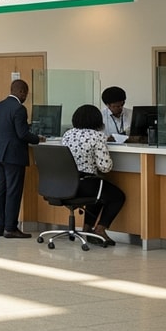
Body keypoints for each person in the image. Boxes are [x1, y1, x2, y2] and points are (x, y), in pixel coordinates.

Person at [60, 104, 126, 246]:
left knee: (99, 192)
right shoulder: (98, 137)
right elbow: (105, 167)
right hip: (85, 184)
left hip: (66, 184)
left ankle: (87, 229)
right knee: (117, 196)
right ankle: (100, 230)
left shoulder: (67, 135)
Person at [0, 79, 44, 238]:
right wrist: (38, 139)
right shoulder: (19, 108)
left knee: (0, 190)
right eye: (25, 93)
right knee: (13, 191)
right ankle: (10, 228)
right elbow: (22, 134)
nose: (26, 96)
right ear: (21, 92)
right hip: (13, 155)